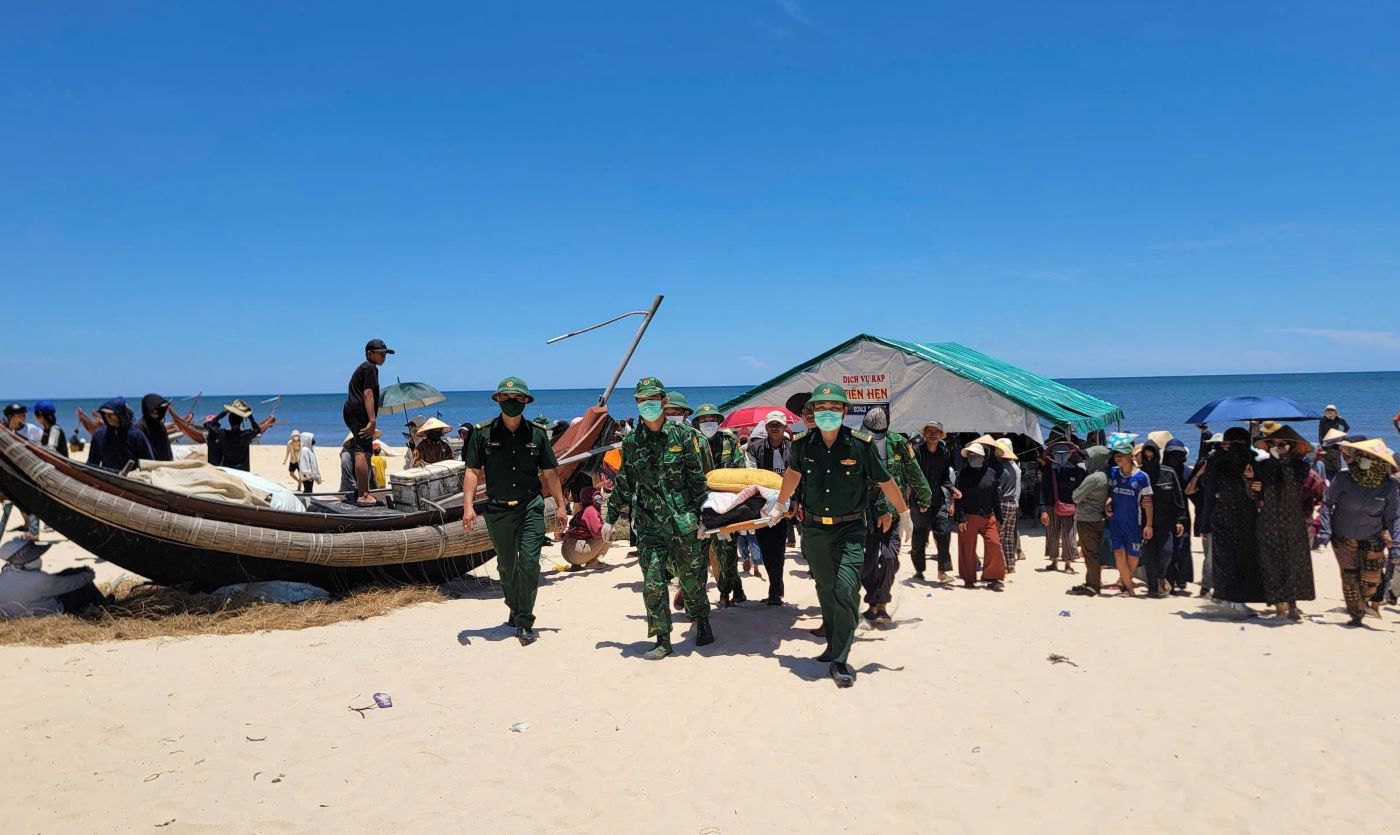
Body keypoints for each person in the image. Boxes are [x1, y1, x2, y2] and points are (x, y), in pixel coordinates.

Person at [769, 382, 908, 688]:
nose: (827, 413)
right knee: (826, 588)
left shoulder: (861, 444)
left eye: (834, 408)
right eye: (821, 408)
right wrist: (780, 503)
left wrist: (904, 512)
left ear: (845, 411)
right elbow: (793, 474)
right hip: (815, 530)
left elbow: (885, 481)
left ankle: (841, 659)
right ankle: (833, 644)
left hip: (850, 530)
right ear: (813, 412)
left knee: (846, 589)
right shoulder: (803, 445)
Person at [601, 377, 711, 660]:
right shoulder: (632, 441)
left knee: (691, 579)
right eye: (641, 400)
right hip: (649, 523)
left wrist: (706, 517)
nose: (647, 405)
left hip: (683, 521)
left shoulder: (683, 436)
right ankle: (663, 639)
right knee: (653, 584)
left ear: (663, 401)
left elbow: (696, 479)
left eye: (652, 399)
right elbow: (625, 481)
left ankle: (702, 620)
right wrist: (610, 518)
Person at [463, 377, 568, 646]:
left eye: (517, 398)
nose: (512, 402)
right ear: (498, 400)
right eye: (506, 398)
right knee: (506, 566)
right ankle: (514, 606)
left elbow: (550, 472)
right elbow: (472, 470)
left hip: (530, 506)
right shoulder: (482, 433)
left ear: (526, 401)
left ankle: (524, 621)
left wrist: (561, 506)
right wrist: (468, 507)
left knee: (530, 563)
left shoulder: (537, 434)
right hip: (498, 510)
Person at [858, 408, 930, 624]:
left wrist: (925, 497)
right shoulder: (856, 442)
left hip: (893, 508)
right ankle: (874, 599)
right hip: (864, 513)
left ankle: (880, 604)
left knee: (890, 558)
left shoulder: (898, 442)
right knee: (866, 564)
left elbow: (913, 470)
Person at [1319, 438, 1399, 626]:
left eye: (1368, 457)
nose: (1363, 459)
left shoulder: (1388, 486)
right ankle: (1357, 615)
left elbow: (1394, 517)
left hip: (1372, 538)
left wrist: (1397, 546)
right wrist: (1325, 530)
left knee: (1372, 581)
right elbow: (1327, 503)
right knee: (1350, 578)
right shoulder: (1343, 478)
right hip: (1343, 537)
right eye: (1361, 456)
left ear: (1379, 461)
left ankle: (1363, 602)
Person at [1252, 425, 1318, 619]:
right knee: (1271, 562)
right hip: (1269, 520)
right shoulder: (1262, 466)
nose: (1278, 447)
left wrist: (1285, 461)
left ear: (1291, 446)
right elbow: (1256, 495)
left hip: (1293, 521)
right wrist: (1252, 485)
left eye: (1282, 444)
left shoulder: (1301, 467)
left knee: (1294, 563)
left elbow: (1292, 487)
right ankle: (1279, 605)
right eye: (1274, 444)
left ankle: (1292, 604)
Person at [693, 403, 749, 606]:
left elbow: (740, 470)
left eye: (712, 420)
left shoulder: (728, 441)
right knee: (698, 556)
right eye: (703, 420)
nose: (708, 423)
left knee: (727, 553)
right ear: (697, 423)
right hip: (699, 506)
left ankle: (726, 592)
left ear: (718, 421)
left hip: (726, 506)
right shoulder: (691, 443)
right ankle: (694, 595)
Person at [1207, 427, 1267, 615]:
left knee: (1223, 558)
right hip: (1244, 514)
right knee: (1243, 558)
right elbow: (1260, 489)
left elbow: (1209, 484)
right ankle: (1238, 600)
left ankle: (1225, 597)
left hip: (1222, 511)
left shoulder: (1217, 459)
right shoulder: (1252, 459)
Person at [746, 411, 794, 604]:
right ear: (765, 427)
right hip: (762, 506)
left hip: (785, 505)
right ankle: (777, 584)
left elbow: (800, 476)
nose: (775, 427)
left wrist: (795, 501)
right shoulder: (754, 448)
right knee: (765, 548)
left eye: (778, 425)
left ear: (784, 427)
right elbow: (750, 475)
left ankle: (774, 591)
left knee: (778, 548)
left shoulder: (793, 448)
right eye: (771, 424)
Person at [0, 538, 107, 618]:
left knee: (68, 573)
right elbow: (71, 583)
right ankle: (106, 607)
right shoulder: (40, 580)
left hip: (11, 615)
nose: (39, 558)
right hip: (46, 613)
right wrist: (88, 575)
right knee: (82, 585)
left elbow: (53, 582)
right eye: (36, 557)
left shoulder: (3, 576)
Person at [1104, 433, 1153, 597]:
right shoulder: (1113, 472)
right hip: (1116, 522)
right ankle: (1129, 589)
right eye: (1116, 455)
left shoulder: (1141, 477)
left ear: (1130, 457)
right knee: (1119, 553)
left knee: (1133, 557)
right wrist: (1108, 502)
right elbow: (1112, 492)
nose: (1118, 458)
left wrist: (1149, 525)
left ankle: (1125, 582)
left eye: (1122, 455)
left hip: (1134, 523)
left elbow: (1148, 503)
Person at [954, 442, 1007, 591]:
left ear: (984, 457)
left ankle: (992, 577)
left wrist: (999, 517)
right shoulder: (963, 474)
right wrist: (960, 517)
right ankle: (969, 579)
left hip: (988, 516)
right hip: (968, 517)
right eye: (970, 455)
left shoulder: (991, 473)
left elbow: (995, 496)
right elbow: (958, 498)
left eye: (976, 455)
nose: (973, 457)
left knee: (994, 544)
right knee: (967, 549)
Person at [344, 339, 392, 505]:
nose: (384, 357)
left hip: (353, 410)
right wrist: (372, 420)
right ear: (370, 353)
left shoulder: (365, 368)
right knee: (362, 451)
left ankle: (362, 490)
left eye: (385, 354)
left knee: (365, 450)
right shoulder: (370, 368)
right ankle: (363, 495)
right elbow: (368, 393)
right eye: (381, 354)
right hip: (359, 412)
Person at [911, 420, 959, 582]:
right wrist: (917, 500)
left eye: (936, 431)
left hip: (938, 501)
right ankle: (919, 571)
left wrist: (953, 489)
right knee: (919, 537)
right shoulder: (916, 451)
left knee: (944, 533)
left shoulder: (945, 453)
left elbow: (945, 478)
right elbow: (912, 477)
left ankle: (942, 571)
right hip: (919, 502)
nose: (933, 434)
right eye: (929, 431)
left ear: (941, 435)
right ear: (924, 433)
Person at [1139, 436, 1186, 599]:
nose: (1149, 459)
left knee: (1167, 552)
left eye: (1152, 456)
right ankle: (1152, 588)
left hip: (1166, 522)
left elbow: (1178, 497)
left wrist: (1180, 520)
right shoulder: (1139, 474)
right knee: (1149, 556)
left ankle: (1161, 576)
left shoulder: (1168, 472)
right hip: (1145, 523)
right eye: (1146, 456)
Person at [1067, 445, 1112, 596]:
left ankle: (1093, 586)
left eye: (1088, 458)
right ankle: (1091, 581)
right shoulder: (1105, 476)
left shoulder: (1094, 478)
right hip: (1097, 518)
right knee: (1091, 552)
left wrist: (1082, 497)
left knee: (1090, 554)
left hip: (1088, 519)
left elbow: (1075, 497)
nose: (1086, 462)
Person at [1038, 439, 1083, 573]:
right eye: (1058, 454)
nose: (1061, 457)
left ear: (1070, 454)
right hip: (1051, 506)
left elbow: (1080, 489)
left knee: (1069, 535)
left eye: (1064, 454)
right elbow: (1043, 491)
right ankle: (1054, 561)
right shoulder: (1049, 470)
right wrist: (1043, 510)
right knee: (1052, 533)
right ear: (1052, 455)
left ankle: (1068, 563)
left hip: (1070, 507)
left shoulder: (1076, 471)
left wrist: (1079, 506)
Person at [203, 400, 275, 472]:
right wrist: (250, 417)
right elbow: (257, 430)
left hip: (228, 469)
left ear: (229, 421)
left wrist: (225, 412)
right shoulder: (245, 435)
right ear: (241, 421)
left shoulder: (223, 434)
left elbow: (210, 424)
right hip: (243, 470)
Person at [87, 397, 155, 472]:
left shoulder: (136, 435)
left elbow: (148, 462)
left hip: (131, 476)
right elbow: (92, 462)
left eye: (111, 414)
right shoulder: (99, 435)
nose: (107, 417)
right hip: (106, 475)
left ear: (120, 414)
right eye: (105, 414)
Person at [562, 483, 610, 568]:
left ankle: (581, 561)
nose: (598, 498)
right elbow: (597, 532)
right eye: (596, 496)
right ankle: (591, 562)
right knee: (607, 533)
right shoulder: (590, 510)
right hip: (576, 552)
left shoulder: (583, 510)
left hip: (567, 551)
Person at [1318, 405, 1350, 480]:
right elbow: (1320, 433)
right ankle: (1328, 477)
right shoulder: (1323, 420)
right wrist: (1322, 443)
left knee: (1336, 459)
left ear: (1335, 412)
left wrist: (1341, 435)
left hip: (1335, 441)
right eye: (1328, 411)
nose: (1330, 412)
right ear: (1325, 412)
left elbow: (1347, 427)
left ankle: (1337, 477)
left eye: (1332, 411)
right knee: (1326, 460)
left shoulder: (1339, 419)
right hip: (1326, 442)